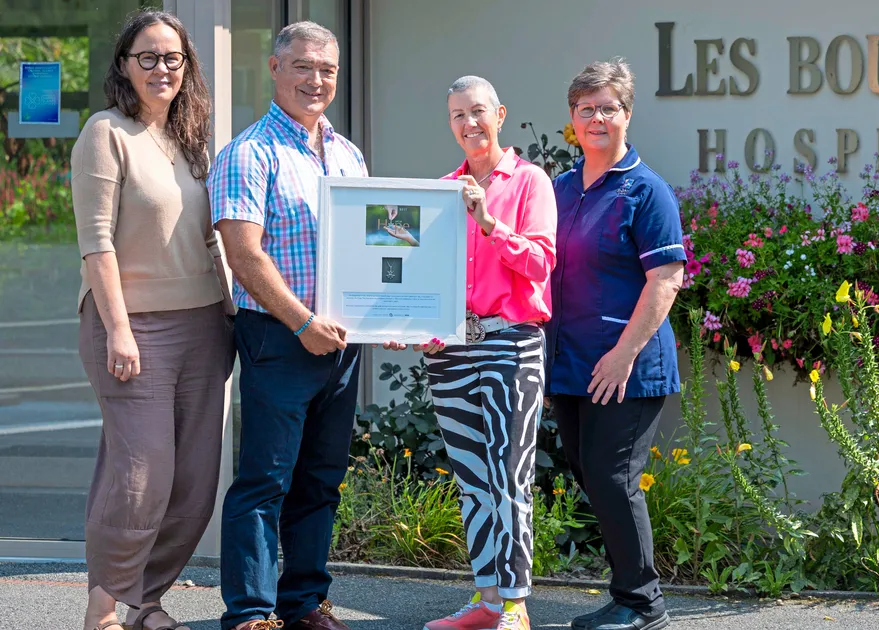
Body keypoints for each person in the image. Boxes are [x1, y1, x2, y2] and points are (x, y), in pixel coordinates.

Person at [71, 9, 234, 630]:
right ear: (123, 66)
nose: (162, 68)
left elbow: (210, 240)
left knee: (194, 481)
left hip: (202, 326)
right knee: (140, 474)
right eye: (147, 57)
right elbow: (97, 243)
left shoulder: (191, 141)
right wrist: (117, 328)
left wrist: (228, 315)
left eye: (173, 58)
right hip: (132, 325)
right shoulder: (104, 132)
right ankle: (103, 606)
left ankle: (148, 601)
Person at [209, 21, 366, 630]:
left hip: (341, 343)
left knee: (322, 478)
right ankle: (250, 611)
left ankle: (304, 603)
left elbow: (373, 250)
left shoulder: (349, 154)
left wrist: (390, 314)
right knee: (265, 479)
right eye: (302, 66)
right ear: (275, 69)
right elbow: (243, 255)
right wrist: (301, 322)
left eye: (326, 69)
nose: (315, 79)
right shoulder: (248, 153)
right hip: (280, 336)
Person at [385, 75, 557, 630]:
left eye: (478, 112)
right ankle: (486, 601)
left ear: (500, 114)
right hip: (452, 352)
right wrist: (401, 321)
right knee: (472, 479)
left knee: (511, 474)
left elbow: (540, 264)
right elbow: (417, 277)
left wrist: (487, 222)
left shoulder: (530, 182)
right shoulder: (439, 191)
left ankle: (515, 605)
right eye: (458, 115)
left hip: (511, 344)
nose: (469, 124)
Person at [546, 59, 686, 630]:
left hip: (626, 364)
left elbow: (666, 279)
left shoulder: (646, 191)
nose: (598, 118)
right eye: (587, 109)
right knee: (590, 474)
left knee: (613, 476)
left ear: (627, 116)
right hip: (572, 361)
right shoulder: (558, 189)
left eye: (609, 108)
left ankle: (642, 602)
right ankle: (627, 592)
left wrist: (624, 352)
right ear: (573, 121)